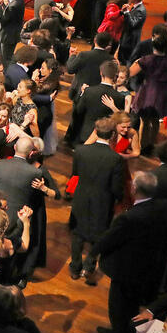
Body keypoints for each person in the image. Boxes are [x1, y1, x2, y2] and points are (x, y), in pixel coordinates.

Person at [92, 170, 167, 333]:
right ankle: (131, 327)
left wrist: (93, 252)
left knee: (118, 304)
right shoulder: (164, 205)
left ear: (134, 188)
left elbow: (109, 239)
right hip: (151, 264)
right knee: (133, 301)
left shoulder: (129, 217)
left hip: (126, 268)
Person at [68, 117, 125, 286]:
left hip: (81, 197)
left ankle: (75, 268)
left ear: (95, 131)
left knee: (77, 234)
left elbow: (76, 173)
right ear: (113, 134)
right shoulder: (115, 159)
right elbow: (116, 187)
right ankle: (89, 266)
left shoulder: (80, 151)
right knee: (98, 235)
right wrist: (120, 199)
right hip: (103, 200)